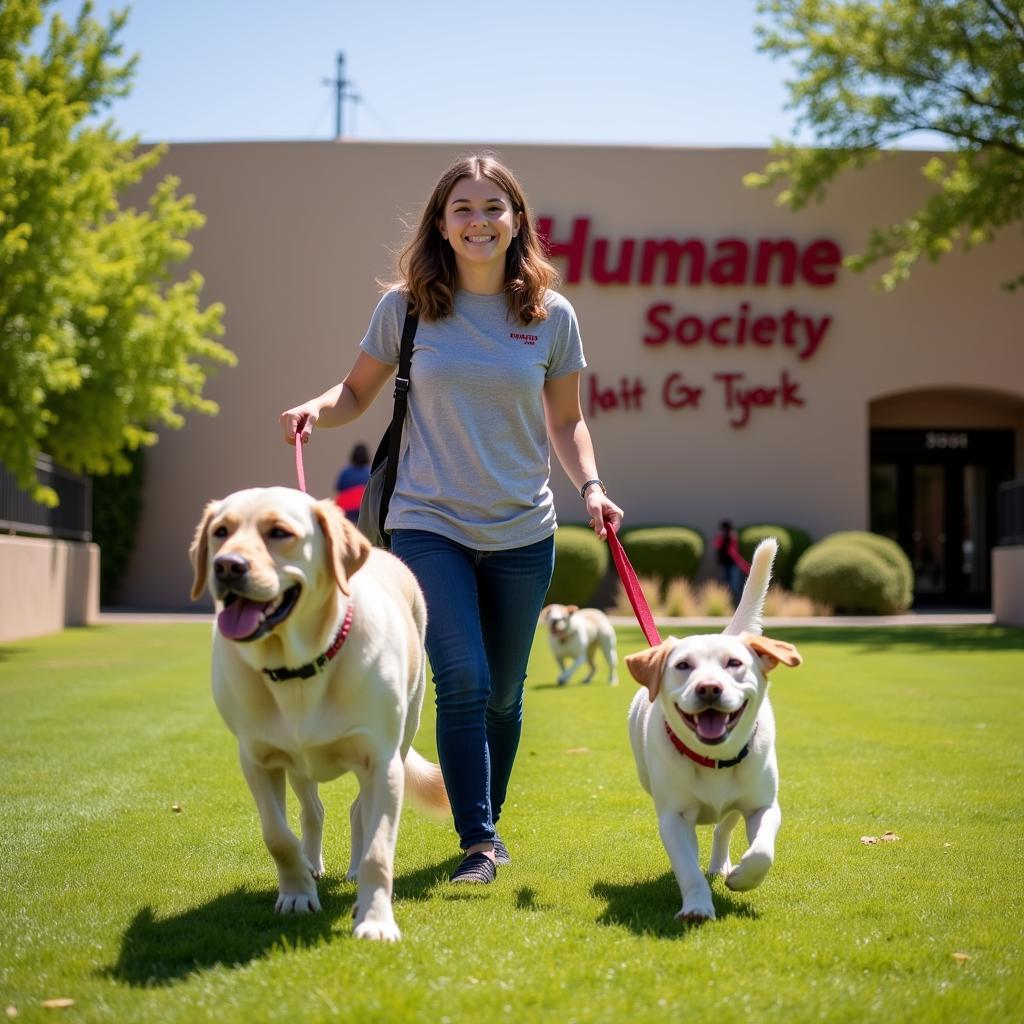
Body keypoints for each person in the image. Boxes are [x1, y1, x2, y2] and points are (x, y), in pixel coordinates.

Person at [280, 153, 622, 885]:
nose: (478, 221)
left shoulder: (549, 316)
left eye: (493, 207)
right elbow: (356, 393)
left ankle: (483, 827)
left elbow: (567, 421)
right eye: (462, 208)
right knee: (461, 678)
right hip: (426, 522)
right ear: (441, 222)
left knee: (503, 691)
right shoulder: (406, 306)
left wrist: (590, 486)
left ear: (516, 220)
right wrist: (318, 408)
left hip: (523, 529)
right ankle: (479, 842)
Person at [714, 519, 750, 607]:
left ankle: (738, 606)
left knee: (736, 587)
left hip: (734, 566)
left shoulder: (732, 537)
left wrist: (744, 565)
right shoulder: (720, 538)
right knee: (725, 587)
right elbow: (716, 545)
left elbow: (733, 553)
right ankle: (727, 606)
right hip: (724, 566)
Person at [335, 441, 370, 523]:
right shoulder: (370, 473)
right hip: (363, 507)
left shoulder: (345, 472)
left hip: (345, 508)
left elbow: (339, 488)